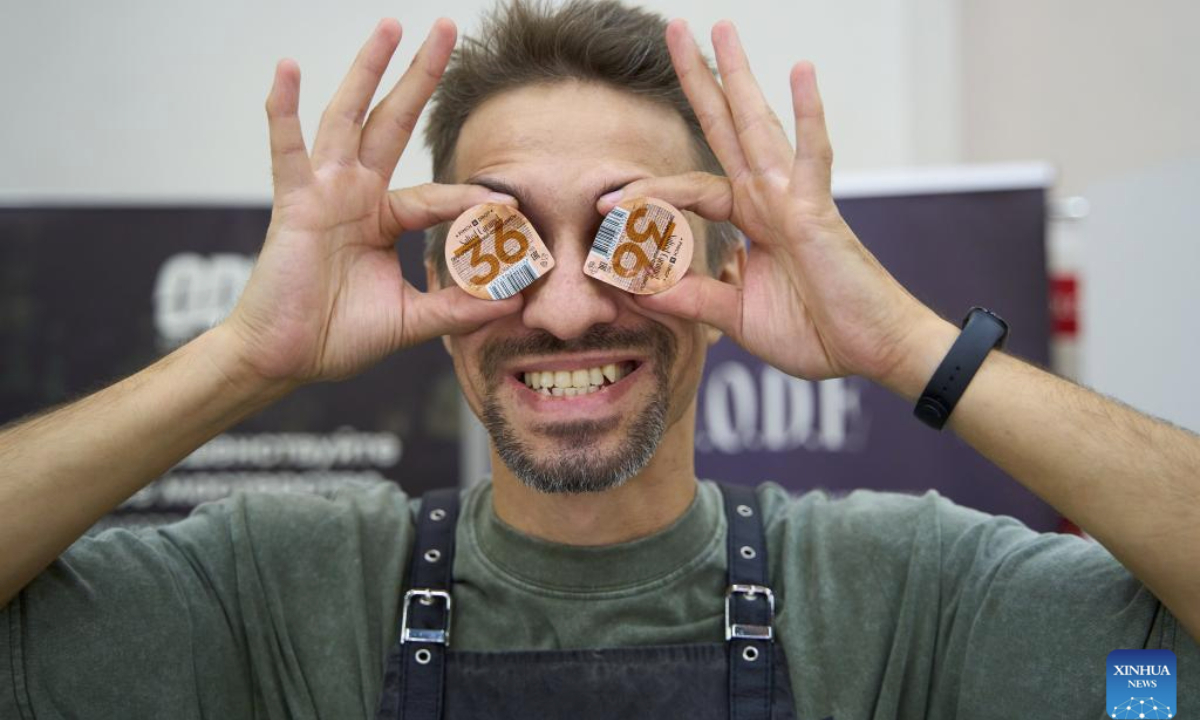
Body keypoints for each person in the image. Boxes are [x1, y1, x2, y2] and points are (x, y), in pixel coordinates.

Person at [1, 1, 1197, 718]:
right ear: (433, 279)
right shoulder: (276, 593)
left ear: (728, 271)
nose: (567, 309)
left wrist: (906, 344)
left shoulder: (902, 594)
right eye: (505, 242)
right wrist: (243, 360)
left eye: (634, 234)